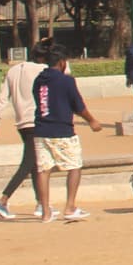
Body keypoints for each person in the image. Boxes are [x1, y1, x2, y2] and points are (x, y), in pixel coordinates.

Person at [31, 45, 105, 223]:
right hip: (62, 130)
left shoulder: (39, 80)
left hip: (41, 130)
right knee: (74, 166)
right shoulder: (67, 81)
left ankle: (45, 211)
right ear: (62, 62)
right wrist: (92, 121)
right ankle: (70, 206)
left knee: (43, 169)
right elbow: (78, 106)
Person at [0, 43, 48, 219]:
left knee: (35, 163)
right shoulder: (43, 69)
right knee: (29, 163)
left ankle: (41, 203)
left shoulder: (13, 71)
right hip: (36, 121)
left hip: (22, 123)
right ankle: (3, 200)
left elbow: (2, 98)